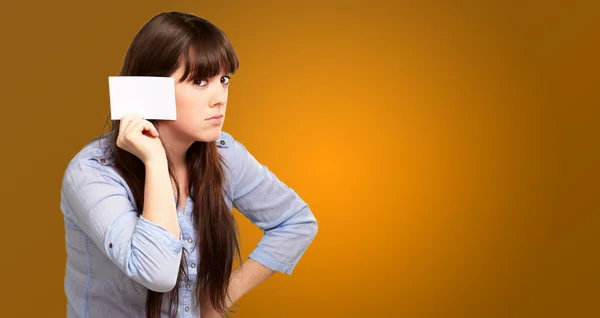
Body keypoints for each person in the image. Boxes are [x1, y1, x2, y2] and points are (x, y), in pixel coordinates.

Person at [60, 11, 318, 318]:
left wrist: (218, 300)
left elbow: (296, 222)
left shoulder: (224, 154)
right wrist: (155, 160)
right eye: (199, 81)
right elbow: (157, 273)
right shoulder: (92, 173)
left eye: (223, 80)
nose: (220, 98)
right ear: (148, 90)